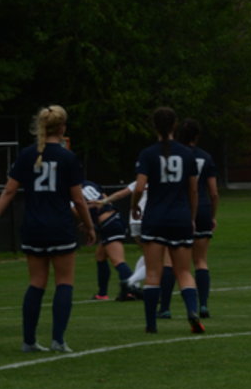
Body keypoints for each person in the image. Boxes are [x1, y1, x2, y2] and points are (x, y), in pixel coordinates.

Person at [0, 105, 96, 353]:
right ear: (62, 128)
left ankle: (29, 341)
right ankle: (58, 340)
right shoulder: (67, 158)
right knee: (64, 282)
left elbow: (9, 191)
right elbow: (78, 199)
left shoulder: (27, 154)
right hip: (60, 226)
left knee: (36, 282)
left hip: (33, 226)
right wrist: (89, 226)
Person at [131, 106, 205, 334]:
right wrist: (191, 216)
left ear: (154, 126)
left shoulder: (148, 154)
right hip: (180, 217)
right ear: (175, 125)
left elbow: (140, 187)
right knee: (184, 271)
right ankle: (192, 311)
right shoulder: (187, 154)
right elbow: (193, 190)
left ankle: (151, 324)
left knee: (153, 273)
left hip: (155, 217)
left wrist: (134, 207)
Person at [161, 118, 218, 319]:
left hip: (179, 208)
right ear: (197, 136)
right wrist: (212, 215)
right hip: (202, 209)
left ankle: (164, 307)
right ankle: (203, 305)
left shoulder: (173, 155)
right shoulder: (205, 157)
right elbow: (213, 192)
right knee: (200, 260)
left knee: (169, 260)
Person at [78, 179, 141, 301]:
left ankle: (132, 290)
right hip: (113, 219)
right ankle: (102, 294)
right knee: (100, 257)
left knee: (118, 261)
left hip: (108, 224)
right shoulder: (90, 184)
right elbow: (106, 199)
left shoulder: (72, 190)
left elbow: (77, 209)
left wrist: (88, 223)